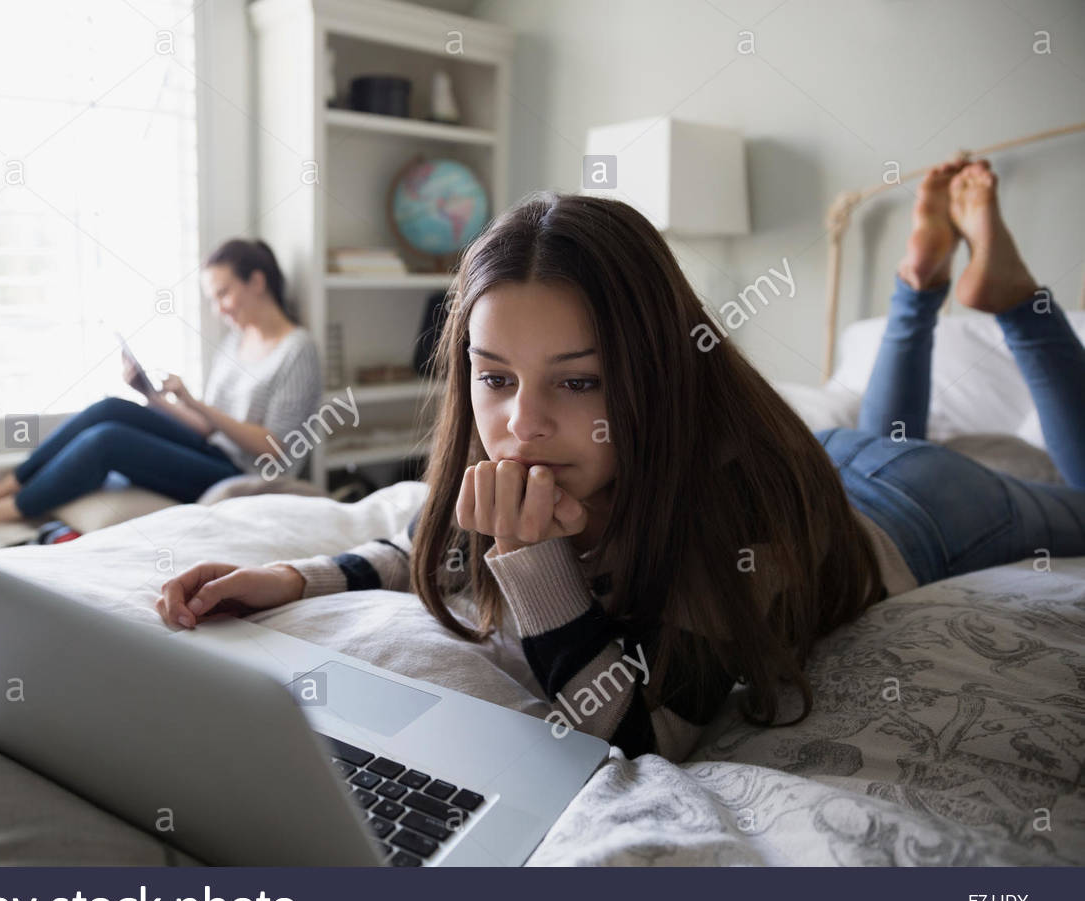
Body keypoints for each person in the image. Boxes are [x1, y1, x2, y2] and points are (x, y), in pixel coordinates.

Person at [152, 168, 1085, 762]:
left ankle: (1015, 306)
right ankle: (916, 290)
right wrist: (293, 576)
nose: (523, 424)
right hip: (847, 466)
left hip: (921, 509)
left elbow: (645, 734)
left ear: (657, 371)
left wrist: (536, 567)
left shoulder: (741, 525)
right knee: (886, 431)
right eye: (494, 377)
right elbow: (428, 546)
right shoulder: (529, 453)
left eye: (582, 382)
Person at [0, 239, 323, 523]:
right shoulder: (236, 340)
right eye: (212, 299)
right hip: (214, 451)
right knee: (110, 408)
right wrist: (152, 396)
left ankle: (9, 508)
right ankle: (5, 486)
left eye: (224, 294)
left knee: (109, 441)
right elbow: (206, 430)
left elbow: (279, 452)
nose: (219, 309)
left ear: (256, 281)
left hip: (247, 475)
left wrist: (196, 402)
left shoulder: (297, 350)